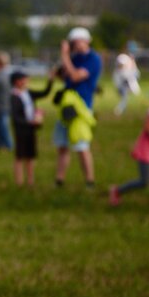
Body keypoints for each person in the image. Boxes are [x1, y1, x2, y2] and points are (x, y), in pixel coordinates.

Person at [54, 27, 101, 188]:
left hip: (81, 107)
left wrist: (65, 55)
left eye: (79, 41)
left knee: (81, 147)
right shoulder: (73, 58)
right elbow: (60, 75)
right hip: (67, 105)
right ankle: (59, 180)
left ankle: (89, 181)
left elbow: (75, 75)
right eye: (74, 42)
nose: (77, 45)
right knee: (62, 146)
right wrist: (65, 60)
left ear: (87, 41)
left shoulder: (93, 59)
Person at [10, 70, 53, 187]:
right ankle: (19, 182)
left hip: (31, 129)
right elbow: (15, 117)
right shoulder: (13, 96)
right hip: (21, 129)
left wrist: (50, 80)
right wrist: (29, 121)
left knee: (30, 155)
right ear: (17, 81)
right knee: (20, 156)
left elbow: (44, 93)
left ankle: (30, 181)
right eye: (24, 79)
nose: (27, 81)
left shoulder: (27, 93)